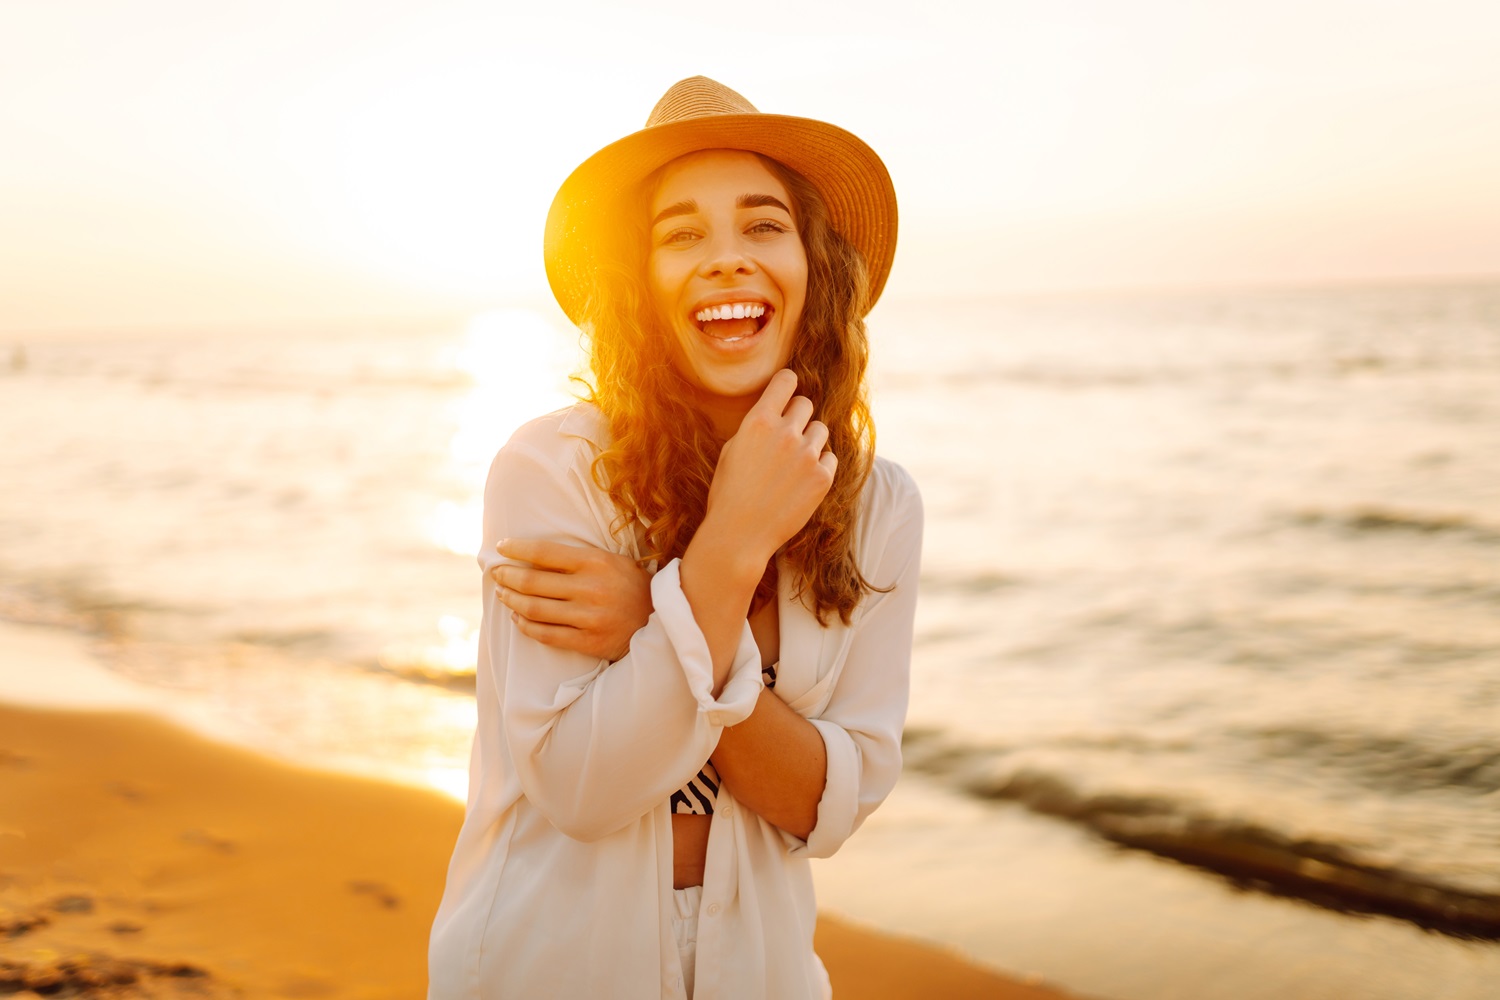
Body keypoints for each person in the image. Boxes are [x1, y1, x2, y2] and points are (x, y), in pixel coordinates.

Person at [427, 76, 923, 1000]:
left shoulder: (877, 506)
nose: (726, 259)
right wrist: (727, 553)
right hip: (548, 964)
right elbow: (583, 789)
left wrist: (644, 622)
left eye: (764, 225)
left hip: (765, 972)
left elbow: (827, 803)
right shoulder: (552, 470)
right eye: (682, 234)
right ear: (639, 283)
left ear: (815, 264)